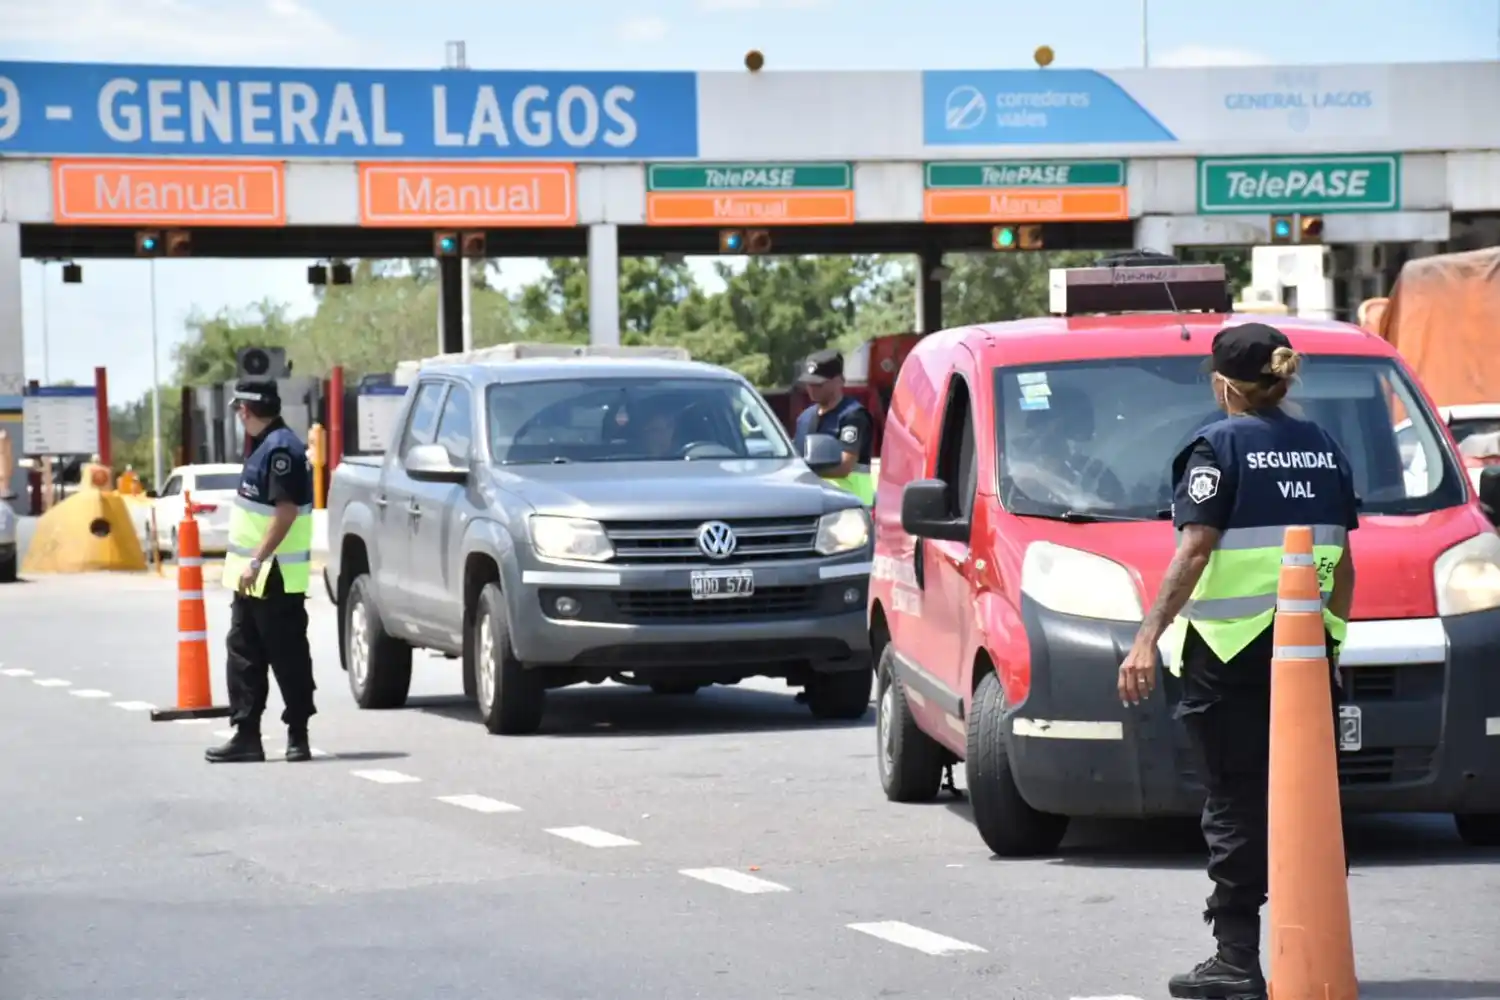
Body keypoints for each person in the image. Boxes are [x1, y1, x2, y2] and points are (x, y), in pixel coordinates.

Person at [1114, 323, 1359, 1000]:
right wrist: (1329, 643)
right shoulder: (1323, 446)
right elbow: (1344, 567)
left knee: (1235, 802)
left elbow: (1194, 552)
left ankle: (1235, 958)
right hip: (1305, 654)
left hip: (1228, 652)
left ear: (1225, 385)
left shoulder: (1217, 446)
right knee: (1308, 804)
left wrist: (1145, 637)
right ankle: (1315, 947)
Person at [205, 379, 318, 765]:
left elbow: (284, 512)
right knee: (244, 656)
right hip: (253, 578)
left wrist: (256, 561)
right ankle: (247, 735)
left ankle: (297, 735)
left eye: (241, 407)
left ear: (248, 410)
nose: (239, 413)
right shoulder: (263, 446)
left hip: (272, 575)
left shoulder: (281, 448)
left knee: (287, 657)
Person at [792, 348, 875, 506]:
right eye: (809, 383)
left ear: (839, 381)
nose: (812, 389)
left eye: (819, 384)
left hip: (852, 504)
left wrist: (807, 474)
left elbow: (845, 466)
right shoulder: (804, 418)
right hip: (815, 503)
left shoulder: (853, 416)